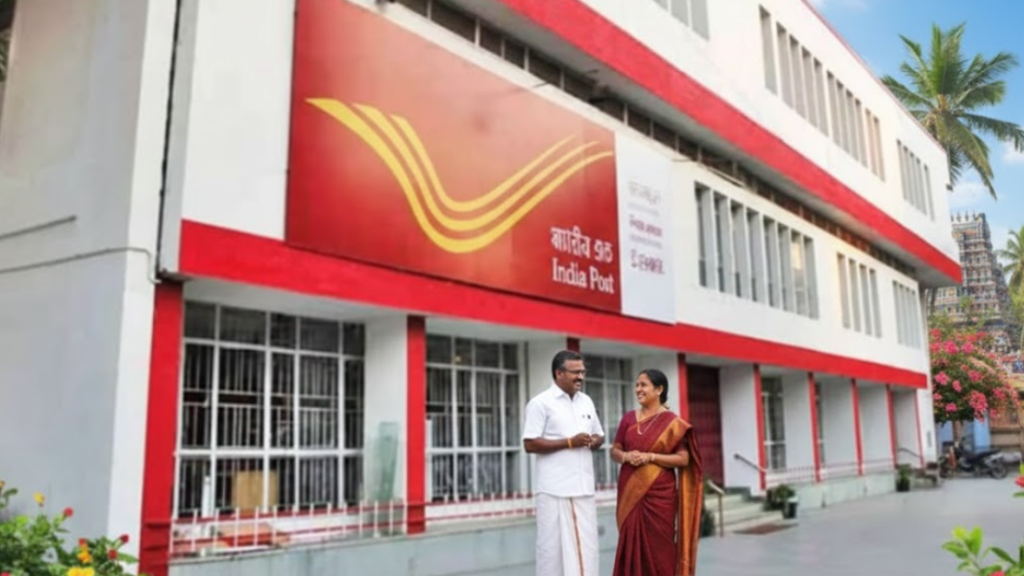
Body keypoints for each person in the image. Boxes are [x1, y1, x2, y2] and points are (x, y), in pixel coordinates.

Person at [610, 368, 703, 576]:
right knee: (629, 544)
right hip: (629, 491)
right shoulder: (628, 419)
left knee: (660, 548)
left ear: (659, 389)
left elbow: (684, 458)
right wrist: (626, 456)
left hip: (660, 495)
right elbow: (615, 450)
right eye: (637, 385)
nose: (638, 389)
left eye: (643, 385)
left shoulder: (672, 423)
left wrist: (650, 457)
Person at [522, 349, 605, 576]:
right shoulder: (541, 403)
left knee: (586, 550)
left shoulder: (586, 401)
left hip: (583, 489)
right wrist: (570, 442)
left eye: (583, 372)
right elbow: (529, 444)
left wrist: (593, 440)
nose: (581, 377)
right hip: (554, 490)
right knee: (551, 553)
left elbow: (600, 434)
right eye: (575, 372)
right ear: (559, 373)